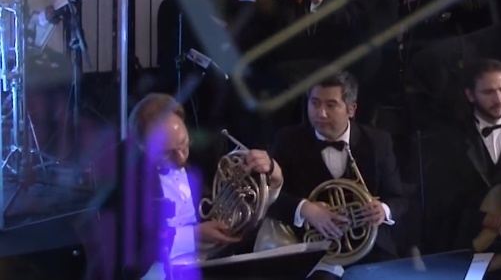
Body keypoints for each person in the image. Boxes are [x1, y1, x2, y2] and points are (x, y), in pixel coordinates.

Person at [81, 93, 283, 280]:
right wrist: (193, 235)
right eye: (166, 153)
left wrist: (273, 176)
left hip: (217, 266)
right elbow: (132, 249)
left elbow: (250, 201)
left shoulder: (206, 155)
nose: (180, 158)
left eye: (184, 143)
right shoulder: (125, 180)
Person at [267, 72, 407, 279]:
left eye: (331, 105)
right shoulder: (288, 140)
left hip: (370, 251)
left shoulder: (378, 142)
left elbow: (399, 199)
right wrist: (306, 209)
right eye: (315, 103)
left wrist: (383, 210)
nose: (321, 113)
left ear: (351, 109)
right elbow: (269, 197)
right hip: (311, 252)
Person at [426, 59, 501, 255]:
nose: (498, 99)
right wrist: (489, 220)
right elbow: (444, 199)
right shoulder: (453, 137)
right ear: (470, 95)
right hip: (473, 233)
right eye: (488, 92)